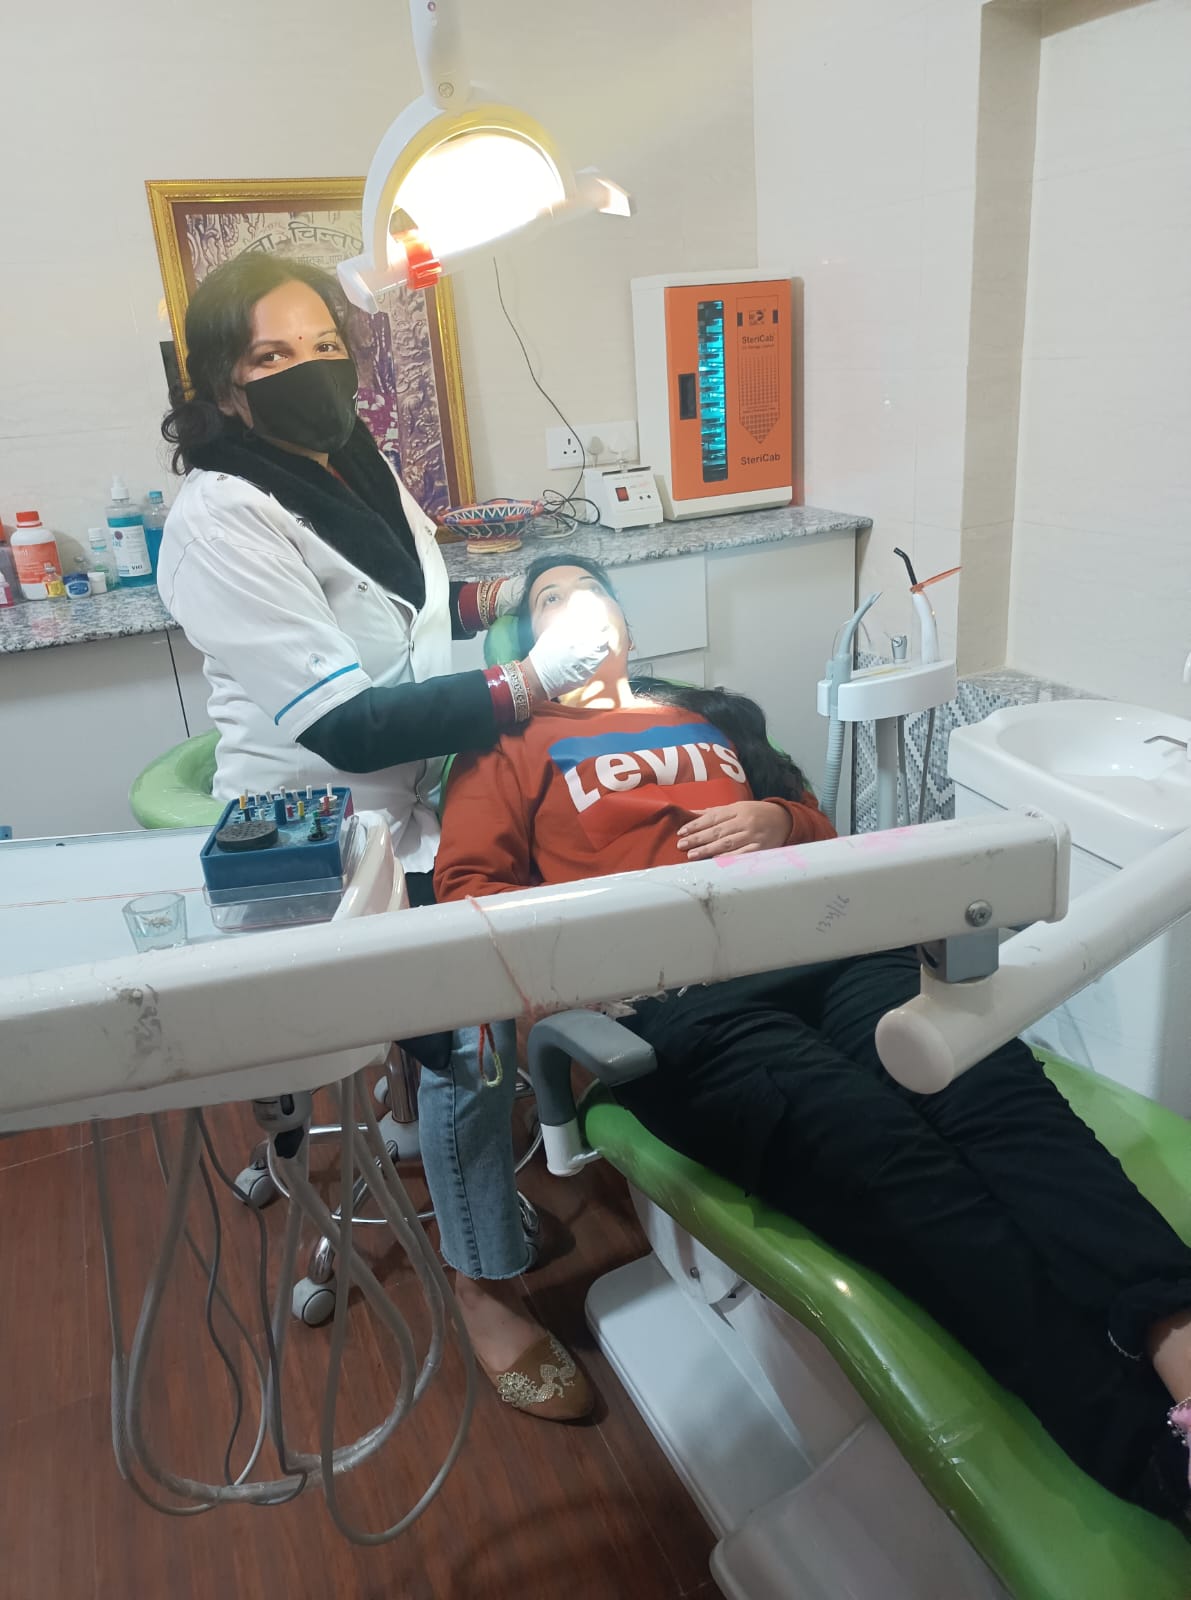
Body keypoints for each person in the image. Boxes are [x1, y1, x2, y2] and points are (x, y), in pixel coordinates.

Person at [434, 551, 1191, 1520]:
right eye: (552, 599)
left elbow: (823, 831)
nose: (579, 605)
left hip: (830, 949)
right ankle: (1147, 1452)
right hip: (675, 997)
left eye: (593, 592)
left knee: (1001, 1100)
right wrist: (592, 955)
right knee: (886, 1160)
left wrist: (775, 818)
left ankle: (1179, 1340)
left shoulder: (702, 715)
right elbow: (470, 902)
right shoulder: (504, 747)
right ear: (524, 644)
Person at [158, 259, 609, 1420]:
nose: (308, 371)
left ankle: (431, 1140)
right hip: (312, 828)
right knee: (473, 1029)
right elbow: (346, 720)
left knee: (472, 993)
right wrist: (530, 681)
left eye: (323, 345)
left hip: (415, 799)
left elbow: (409, 605)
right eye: (271, 355)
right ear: (221, 383)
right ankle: (485, 1289)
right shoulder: (221, 516)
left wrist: (515, 596)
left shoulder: (355, 462)